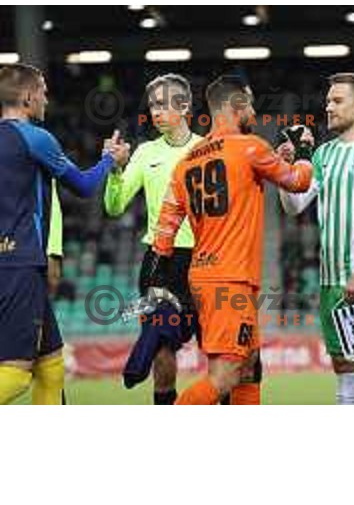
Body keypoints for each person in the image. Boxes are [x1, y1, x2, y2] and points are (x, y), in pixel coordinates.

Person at [149, 74, 313, 405]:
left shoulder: (185, 162)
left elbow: (165, 231)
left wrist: (159, 279)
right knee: (224, 375)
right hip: (230, 279)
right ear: (236, 105)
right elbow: (297, 181)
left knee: (249, 366)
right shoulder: (249, 147)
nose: (253, 111)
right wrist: (305, 151)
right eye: (250, 103)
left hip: (207, 276)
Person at [0, 63, 128, 404]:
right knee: (14, 375)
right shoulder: (35, 138)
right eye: (42, 90)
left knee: (52, 366)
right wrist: (108, 161)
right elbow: (84, 187)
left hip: (16, 264)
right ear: (27, 97)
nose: (46, 97)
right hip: (21, 263)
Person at [279, 72, 354, 404]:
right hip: (331, 278)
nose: (328, 106)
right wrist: (283, 173)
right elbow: (296, 205)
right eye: (328, 100)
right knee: (343, 365)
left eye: (337, 100)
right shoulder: (324, 153)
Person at [104, 73, 204, 405]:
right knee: (162, 352)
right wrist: (115, 170)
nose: (155, 111)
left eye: (162, 104)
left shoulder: (208, 149)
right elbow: (115, 206)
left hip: (205, 261)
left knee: (219, 351)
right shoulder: (146, 152)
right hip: (158, 264)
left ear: (185, 106)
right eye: (152, 105)